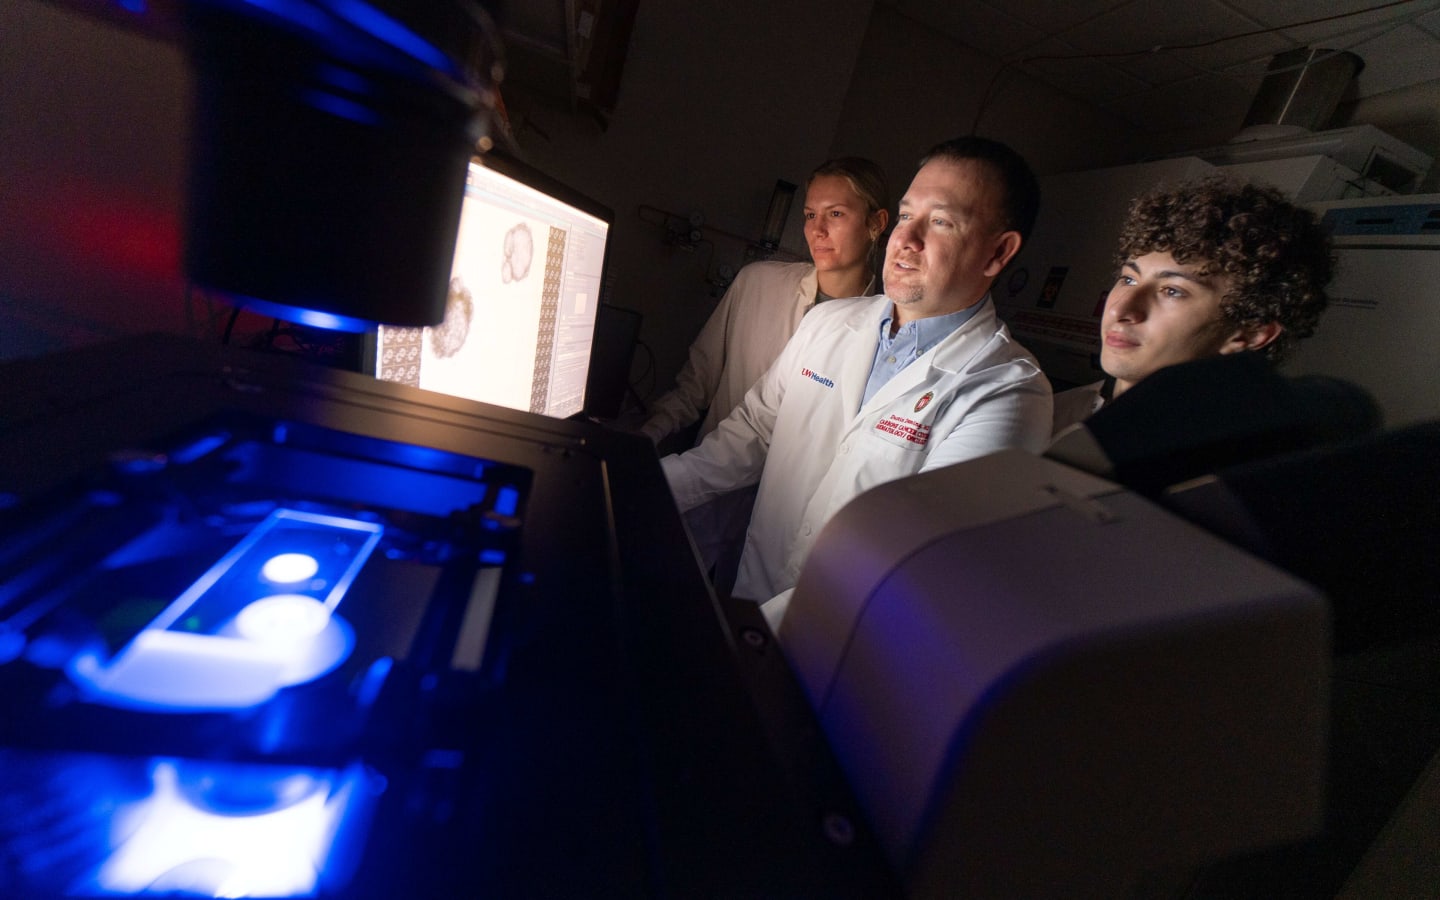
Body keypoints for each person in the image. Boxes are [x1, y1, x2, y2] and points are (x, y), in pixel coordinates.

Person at [661, 136, 1053, 622]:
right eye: (907, 215)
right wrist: (644, 488)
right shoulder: (828, 323)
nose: (906, 240)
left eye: (941, 222)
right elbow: (752, 433)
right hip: (747, 604)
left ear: (998, 252)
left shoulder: (1008, 392)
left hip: (829, 644)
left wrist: (753, 638)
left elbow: (905, 565)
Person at [641, 157, 891, 591]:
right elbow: (696, 386)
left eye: (835, 214)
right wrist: (643, 441)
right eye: (810, 215)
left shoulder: (883, 334)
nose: (817, 230)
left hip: (781, 526)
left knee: (738, 620)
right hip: (704, 487)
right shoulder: (757, 284)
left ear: (876, 223)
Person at [1053, 176, 1333, 431]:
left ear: (1250, 333)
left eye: (1172, 291)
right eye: (1128, 279)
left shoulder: (1224, 460)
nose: (1120, 310)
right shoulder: (1054, 411)